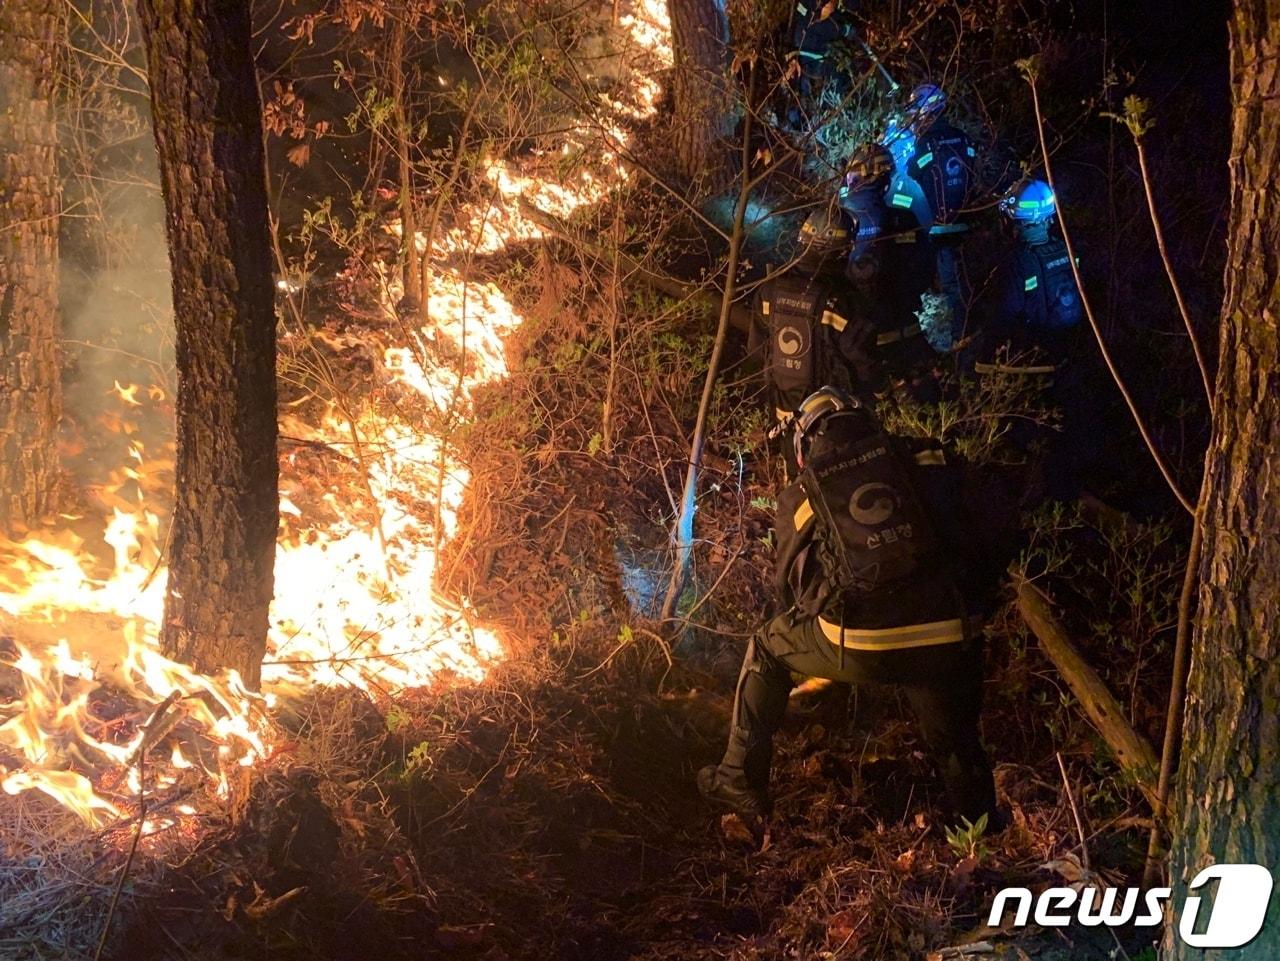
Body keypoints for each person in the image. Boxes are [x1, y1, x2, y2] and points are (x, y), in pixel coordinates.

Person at [698, 387, 1006, 826]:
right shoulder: (926, 459)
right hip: (946, 634)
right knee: (955, 734)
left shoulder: (805, 492)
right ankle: (978, 824)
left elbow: (793, 590)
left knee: (768, 646)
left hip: (859, 642)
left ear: (804, 444)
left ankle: (738, 780)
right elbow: (986, 532)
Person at [750, 206, 878, 472]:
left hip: (783, 420)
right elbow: (865, 368)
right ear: (843, 250)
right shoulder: (843, 303)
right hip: (832, 426)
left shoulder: (768, 292)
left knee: (795, 484)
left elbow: (757, 352)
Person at [838, 141, 937, 389]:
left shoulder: (832, 222)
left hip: (853, 340)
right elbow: (925, 271)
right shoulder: (904, 219)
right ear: (885, 177)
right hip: (904, 331)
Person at [900, 84, 981, 345]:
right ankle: (970, 329)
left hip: (938, 224)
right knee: (965, 280)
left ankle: (962, 337)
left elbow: (912, 172)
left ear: (925, 112)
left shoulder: (925, 143)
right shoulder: (962, 137)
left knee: (951, 285)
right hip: (964, 219)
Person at [992, 178, 1083, 357]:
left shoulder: (1019, 260)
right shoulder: (1067, 248)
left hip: (1037, 349)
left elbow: (1006, 313)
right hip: (1073, 340)